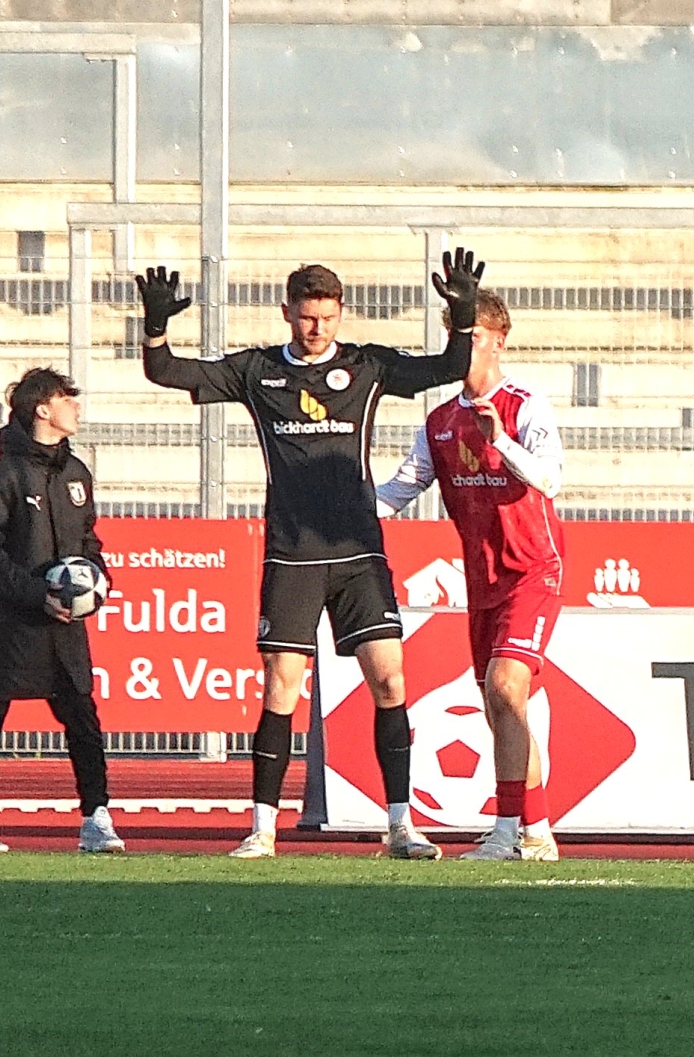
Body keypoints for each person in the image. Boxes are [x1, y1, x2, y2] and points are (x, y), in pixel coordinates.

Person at [138, 250, 486, 859]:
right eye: (306, 317)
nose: (317, 328)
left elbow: (449, 367)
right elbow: (165, 371)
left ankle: (401, 825)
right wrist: (155, 326)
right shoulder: (258, 372)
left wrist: (458, 315)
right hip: (292, 556)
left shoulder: (369, 366)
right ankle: (263, 829)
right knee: (281, 687)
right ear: (287, 314)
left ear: (340, 313)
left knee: (390, 678)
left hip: (358, 553)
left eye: (326, 316)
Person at [378, 290, 563, 860]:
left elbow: (551, 480)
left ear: (499, 340)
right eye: (457, 337)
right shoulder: (439, 421)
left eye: (475, 336)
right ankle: (537, 830)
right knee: (501, 705)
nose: (465, 347)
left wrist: (499, 441)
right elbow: (398, 491)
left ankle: (507, 831)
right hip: (482, 583)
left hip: (533, 570)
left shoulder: (526, 405)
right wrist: (336, 509)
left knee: (506, 687)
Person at [0, 368, 125, 854]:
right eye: (66, 399)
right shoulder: (3, 475)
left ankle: (96, 815)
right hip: (13, 620)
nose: (76, 406)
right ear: (42, 410)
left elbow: (88, 538)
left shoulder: (76, 473)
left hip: (65, 624)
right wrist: (34, 592)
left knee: (83, 718)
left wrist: (98, 575)